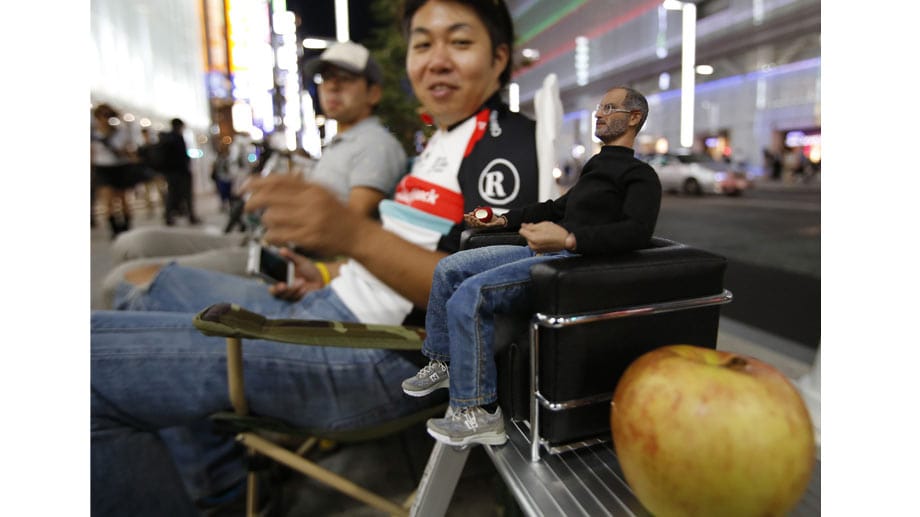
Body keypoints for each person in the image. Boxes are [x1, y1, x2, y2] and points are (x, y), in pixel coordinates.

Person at [91, 1, 540, 514]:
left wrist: (350, 234)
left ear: (499, 58)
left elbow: (482, 295)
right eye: (422, 43)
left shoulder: (504, 146)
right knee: (138, 286)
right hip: (329, 307)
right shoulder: (442, 141)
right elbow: (402, 254)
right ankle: (223, 484)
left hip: (377, 358)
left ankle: (219, 488)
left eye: (459, 42)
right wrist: (326, 270)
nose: (436, 60)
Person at [402, 86, 662, 447]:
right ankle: (444, 362)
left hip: (572, 266)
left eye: (609, 108)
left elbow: (637, 232)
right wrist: (502, 220)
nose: (599, 114)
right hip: (546, 253)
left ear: (634, 117)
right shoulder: (597, 166)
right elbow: (556, 209)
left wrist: (570, 241)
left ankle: (480, 413)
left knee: (469, 295)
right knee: (450, 269)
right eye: (599, 108)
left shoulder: (641, 175)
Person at [99, 41, 408, 308]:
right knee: (133, 242)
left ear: (374, 92)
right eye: (326, 78)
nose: (332, 86)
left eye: (346, 79)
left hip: (291, 261)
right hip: (262, 242)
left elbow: (352, 227)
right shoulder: (341, 141)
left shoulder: (376, 144)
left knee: (121, 283)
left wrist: (297, 211)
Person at [90, 103, 137, 238]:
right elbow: (91, 152)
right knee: (107, 199)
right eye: (102, 115)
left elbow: (128, 149)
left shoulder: (120, 132)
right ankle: (114, 230)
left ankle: (126, 227)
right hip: (103, 168)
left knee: (123, 198)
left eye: (108, 115)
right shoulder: (93, 134)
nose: (105, 119)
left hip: (120, 167)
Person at [159, 117, 201, 225]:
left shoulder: (166, 138)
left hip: (172, 172)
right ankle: (190, 216)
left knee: (172, 194)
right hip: (180, 171)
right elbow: (182, 156)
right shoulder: (176, 137)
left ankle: (170, 217)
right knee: (185, 195)